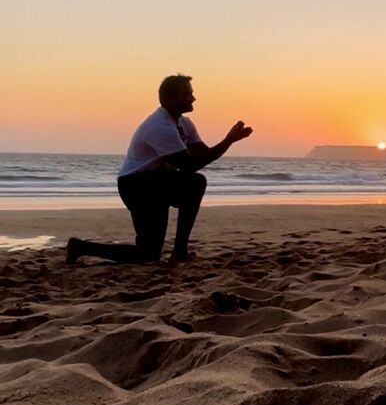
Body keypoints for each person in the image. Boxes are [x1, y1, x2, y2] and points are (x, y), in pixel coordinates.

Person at [65, 74, 252, 264]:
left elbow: (202, 154)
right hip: (137, 185)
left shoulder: (184, 123)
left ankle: (179, 251)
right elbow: (188, 166)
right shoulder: (160, 126)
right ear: (171, 99)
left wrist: (229, 140)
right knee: (194, 184)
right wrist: (229, 140)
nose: (193, 98)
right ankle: (81, 247)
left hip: (158, 182)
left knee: (149, 252)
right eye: (187, 94)